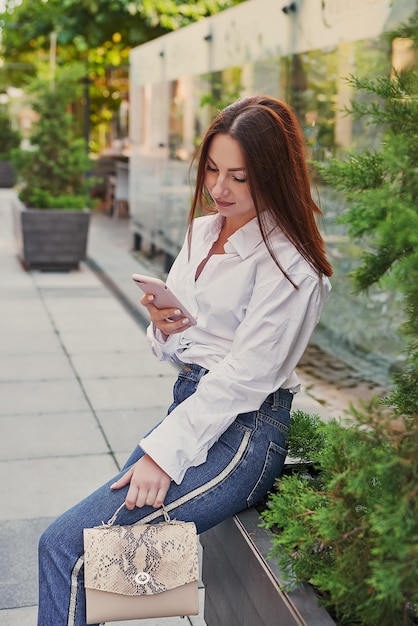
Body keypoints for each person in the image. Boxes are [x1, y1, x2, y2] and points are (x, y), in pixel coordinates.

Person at [37, 95, 332, 626]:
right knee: (125, 573)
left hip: (242, 432)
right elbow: (177, 346)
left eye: (240, 177)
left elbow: (245, 379)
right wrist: (166, 328)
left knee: (67, 550)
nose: (220, 188)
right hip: (193, 405)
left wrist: (165, 454)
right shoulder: (202, 232)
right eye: (214, 170)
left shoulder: (293, 266)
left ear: (275, 175)